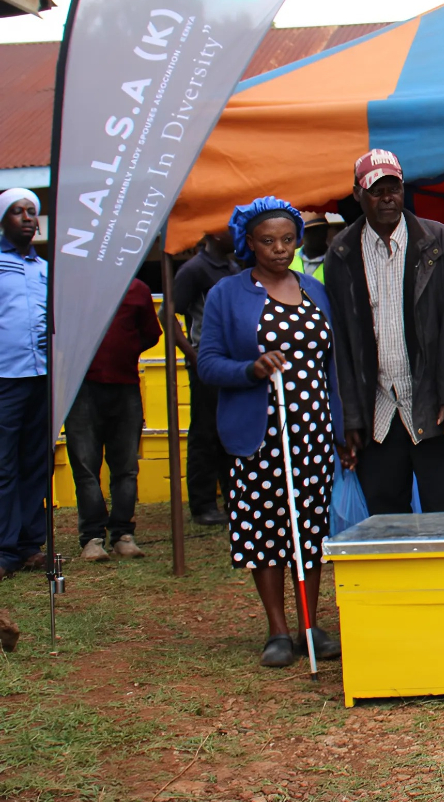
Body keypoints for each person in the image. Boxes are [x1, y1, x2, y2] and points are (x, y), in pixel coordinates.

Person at [197, 196, 342, 668]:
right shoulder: (228, 294)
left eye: (287, 239)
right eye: (268, 241)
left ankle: (309, 623)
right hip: (259, 432)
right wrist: (251, 369)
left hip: (313, 430)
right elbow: (208, 363)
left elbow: (331, 366)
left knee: (310, 528)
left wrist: (341, 428)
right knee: (265, 526)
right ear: (249, 242)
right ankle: (277, 628)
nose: (280, 249)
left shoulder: (314, 289)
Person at [325, 149, 444, 513]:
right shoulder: (341, 253)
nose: (387, 199)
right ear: (357, 194)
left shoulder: (441, 244)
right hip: (378, 412)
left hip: (432, 406)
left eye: (394, 189)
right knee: (387, 521)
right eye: (376, 191)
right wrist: (351, 417)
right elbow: (342, 342)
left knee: (443, 516)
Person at [67, 278, 161, 561]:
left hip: (125, 387)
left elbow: (150, 334)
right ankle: (92, 538)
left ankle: (122, 534)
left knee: (126, 467)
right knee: (85, 466)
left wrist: (125, 352)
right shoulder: (71, 287)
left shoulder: (137, 289)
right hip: (81, 387)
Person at [171, 233, 240, 526]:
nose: (234, 233)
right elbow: (167, 315)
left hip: (234, 363)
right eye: (228, 228)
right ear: (212, 233)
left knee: (230, 430)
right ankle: (202, 505)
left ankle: (233, 497)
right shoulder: (194, 269)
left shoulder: (233, 267)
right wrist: (193, 354)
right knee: (205, 431)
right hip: (207, 361)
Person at [0, 189, 47, 580]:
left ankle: (31, 546)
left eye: (33, 212)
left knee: (36, 462)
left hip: (42, 377)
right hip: (5, 378)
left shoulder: (44, 269)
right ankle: (4, 549)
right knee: (4, 465)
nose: (29, 218)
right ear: (3, 220)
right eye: (18, 212)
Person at [290, 212, 330, 280]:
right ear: (302, 234)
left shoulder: (336, 259)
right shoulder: (289, 257)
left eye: (321, 230)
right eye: (311, 231)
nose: (318, 235)